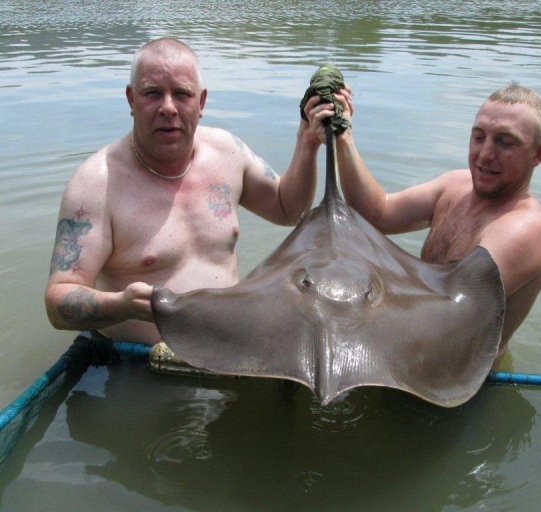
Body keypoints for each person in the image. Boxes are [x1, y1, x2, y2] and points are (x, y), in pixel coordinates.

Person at [45, 37, 334, 345]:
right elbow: (58, 301)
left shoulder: (227, 153)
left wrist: (307, 141)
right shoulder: (96, 184)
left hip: (228, 349)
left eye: (182, 94)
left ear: (201, 102)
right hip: (137, 366)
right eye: (152, 93)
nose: (168, 108)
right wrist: (121, 305)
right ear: (131, 100)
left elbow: (287, 209)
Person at [324, 82, 541, 359]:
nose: (485, 154)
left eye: (505, 142)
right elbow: (378, 213)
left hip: (452, 380)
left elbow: (447, 316)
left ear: (538, 154)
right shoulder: (456, 185)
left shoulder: (524, 229)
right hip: (406, 347)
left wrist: (346, 297)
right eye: (479, 137)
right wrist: (343, 135)